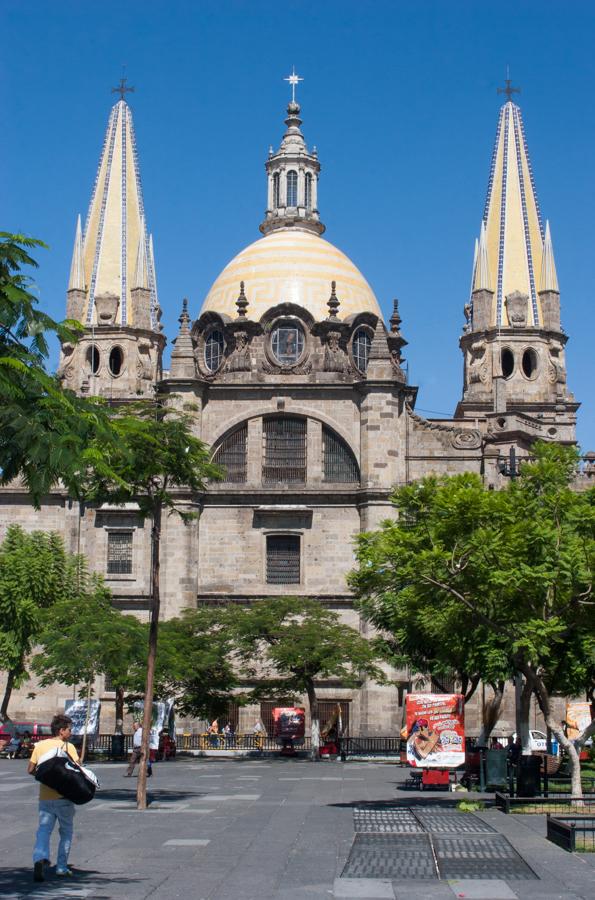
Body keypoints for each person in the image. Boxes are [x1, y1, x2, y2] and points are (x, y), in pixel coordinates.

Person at [28, 714, 78, 882]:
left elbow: (30, 769)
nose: (71, 732)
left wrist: (44, 777)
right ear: (61, 730)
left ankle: (40, 859)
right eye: (69, 729)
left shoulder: (40, 746)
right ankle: (62, 867)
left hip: (45, 796)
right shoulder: (68, 747)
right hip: (64, 797)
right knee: (66, 832)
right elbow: (77, 770)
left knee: (43, 830)